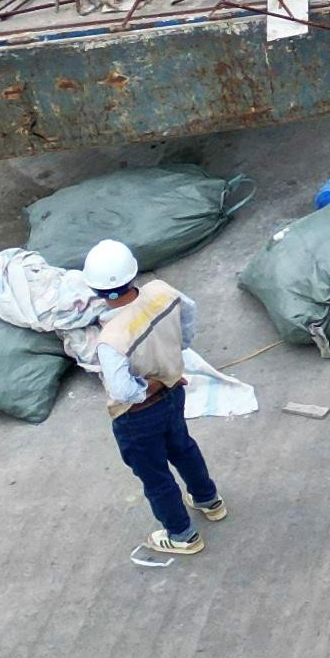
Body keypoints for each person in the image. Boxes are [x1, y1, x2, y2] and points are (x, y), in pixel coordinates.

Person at [84, 238, 226, 566]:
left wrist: (150, 384)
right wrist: (170, 363)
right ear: (132, 274)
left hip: (137, 418)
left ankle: (182, 535)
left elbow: (123, 391)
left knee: (155, 476)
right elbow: (188, 321)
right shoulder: (162, 292)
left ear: (98, 291)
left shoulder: (111, 340)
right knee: (183, 447)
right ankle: (209, 500)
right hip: (174, 394)